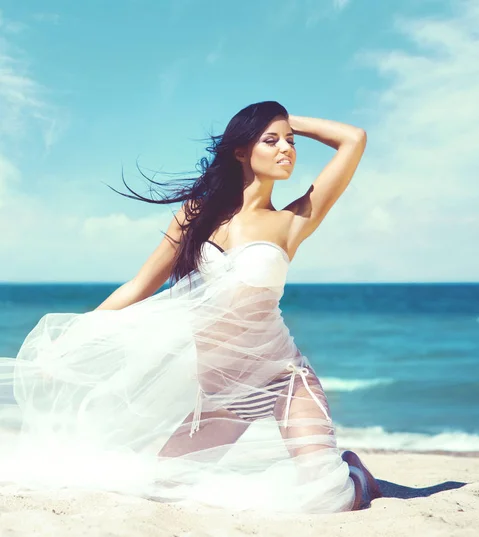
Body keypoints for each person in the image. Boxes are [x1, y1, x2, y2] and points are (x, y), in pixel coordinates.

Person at [0, 101, 382, 513]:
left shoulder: (293, 221)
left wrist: (290, 122)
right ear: (241, 150)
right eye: (271, 141)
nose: (286, 149)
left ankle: (355, 473)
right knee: (159, 487)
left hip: (283, 380)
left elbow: (353, 139)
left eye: (290, 143)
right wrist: (74, 338)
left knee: (327, 497)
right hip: (218, 395)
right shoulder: (197, 215)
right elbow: (140, 285)